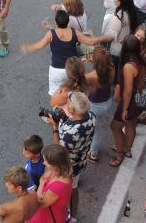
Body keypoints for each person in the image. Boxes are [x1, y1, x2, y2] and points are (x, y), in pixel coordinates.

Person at [47, 91, 94, 221]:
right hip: (81, 159)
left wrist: (55, 127)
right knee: (74, 187)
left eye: (68, 103)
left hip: (68, 166)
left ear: (72, 109)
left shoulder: (69, 134)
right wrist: (65, 119)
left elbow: (58, 149)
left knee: (71, 190)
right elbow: (75, 123)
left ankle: (71, 216)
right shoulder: (91, 117)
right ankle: (73, 215)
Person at [110, 35, 145, 167]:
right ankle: (127, 149)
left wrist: (124, 109)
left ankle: (119, 154)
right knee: (131, 124)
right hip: (139, 100)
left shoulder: (128, 67)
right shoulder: (140, 60)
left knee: (115, 126)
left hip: (130, 102)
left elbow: (128, 91)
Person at [28, 144, 72, 223]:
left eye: (46, 162)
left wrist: (41, 185)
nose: (44, 163)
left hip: (48, 219)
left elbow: (40, 204)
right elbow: (43, 177)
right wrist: (42, 185)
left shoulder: (58, 187)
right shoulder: (60, 171)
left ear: (55, 165)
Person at [86, 47, 115, 163]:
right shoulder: (112, 68)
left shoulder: (91, 76)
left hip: (94, 105)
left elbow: (81, 84)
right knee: (98, 128)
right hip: (107, 101)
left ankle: (93, 153)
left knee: (95, 131)